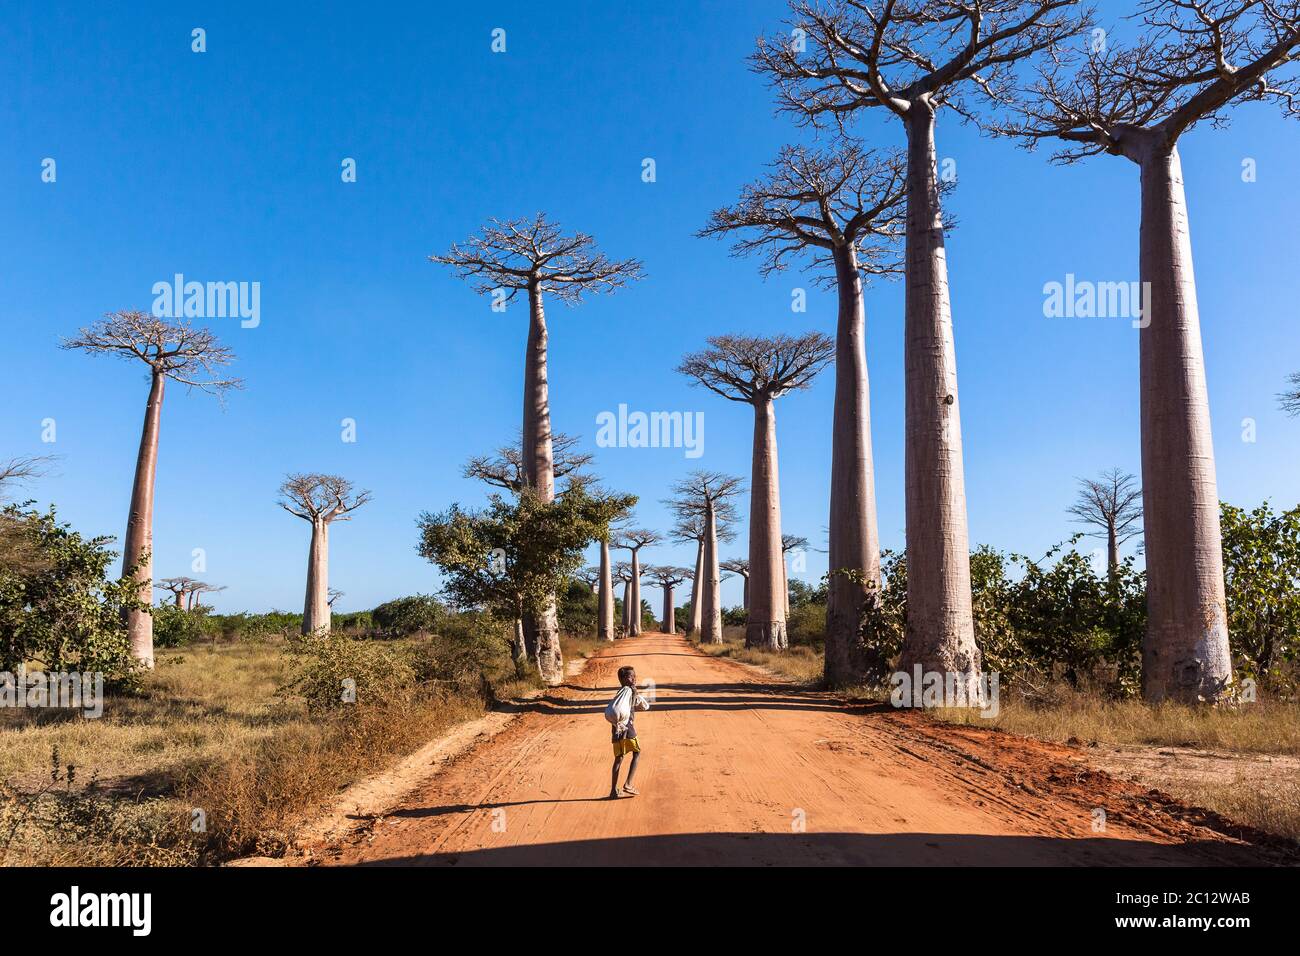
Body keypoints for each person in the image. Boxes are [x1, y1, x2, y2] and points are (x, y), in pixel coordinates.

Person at [608, 665, 649, 799]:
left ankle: (613, 791)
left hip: (616, 729)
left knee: (618, 759)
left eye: (634, 676)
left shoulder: (621, 692)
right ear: (623, 679)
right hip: (627, 727)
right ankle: (628, 784)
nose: (634, 678)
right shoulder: (630, 690)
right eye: (630, 676)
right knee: (637, 752)